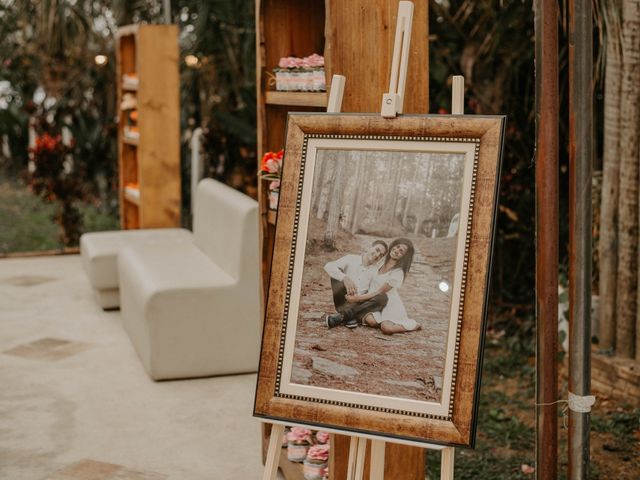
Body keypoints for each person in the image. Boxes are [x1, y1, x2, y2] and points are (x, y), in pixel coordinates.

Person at [347, 238, 422, 335]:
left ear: (404, 256)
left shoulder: (398, 273)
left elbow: (379, 292)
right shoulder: (381, 261)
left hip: (389, 304)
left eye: (401, 251)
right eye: (397, 247)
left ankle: (413, 325)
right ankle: (373, 318)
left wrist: (357, 299)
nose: (396, 251)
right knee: (371, 321)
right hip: (374, 302)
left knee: (386, 329)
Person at [324, 240, 389, 328]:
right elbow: (328, 266)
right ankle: (350, 315)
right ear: (370, 247)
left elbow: (373, 292)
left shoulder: (376, 271)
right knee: (335, 275)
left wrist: (357, 299)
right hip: (343, 301)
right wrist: (345, 278)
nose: (377, 255)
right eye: (377, 250)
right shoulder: (351, 258)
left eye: (381, 255)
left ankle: (343, 317)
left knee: (382, 296)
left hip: (360, 304)